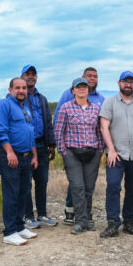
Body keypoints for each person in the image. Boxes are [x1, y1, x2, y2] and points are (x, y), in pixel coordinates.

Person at [98, 71, 133, 238]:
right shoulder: (110, 102)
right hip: (116, 155)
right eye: (125, 81)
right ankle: (113, 223)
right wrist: (111, 150)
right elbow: (104, 127)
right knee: (113, 186)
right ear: (119, 83)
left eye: (131, 82)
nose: (128, 85)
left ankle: (129, 222)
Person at [53, 67, 105, 225]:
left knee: (89, 187)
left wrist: (100, 150)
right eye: (78, 87)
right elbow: (58, 131)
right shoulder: (66, 107)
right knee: (77, 187)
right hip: (72, 153)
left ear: (88, 89)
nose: (82, 89)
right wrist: (63, 152)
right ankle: (80, 221)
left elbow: (100, 131)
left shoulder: (96, 108)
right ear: (73, 90)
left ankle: (87, 218)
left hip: (92, 153)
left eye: (84, 87)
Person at [0, 78, 39, 246]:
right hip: (10, 156)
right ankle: (10, 232)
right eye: (17, 87)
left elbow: (30, 132)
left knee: (23, 193)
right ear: (10, 90)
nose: (21, 90)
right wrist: (9, 152)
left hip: (26, 156)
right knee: (11, 194)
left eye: (24, 88)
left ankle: (19, 226)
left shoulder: (24, 107)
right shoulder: (3, 105)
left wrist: (34, 155)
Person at [20, 64, 58, 229]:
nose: (31, 77)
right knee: (26, 183)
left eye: (33, 74)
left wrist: (52, 144)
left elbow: (48, 122)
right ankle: (28, 216)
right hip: (25, 147)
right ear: (22, 77)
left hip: (42, 145)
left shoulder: (42, 98)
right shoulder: (18, 97)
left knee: (42, 182)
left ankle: (42, 214)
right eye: (27, 74)